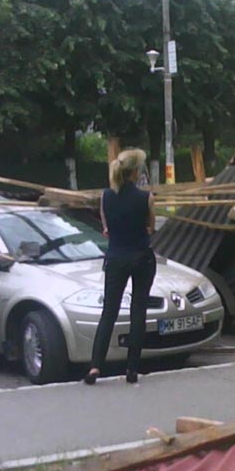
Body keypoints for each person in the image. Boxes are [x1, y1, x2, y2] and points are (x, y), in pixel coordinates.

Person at [84, 148, 156, 385]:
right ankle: (132, 369)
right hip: (141, 258)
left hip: (115, 258)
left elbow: (106, 229)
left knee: (109, 312)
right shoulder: (146, 198)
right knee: (138, 311)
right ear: (136, 172)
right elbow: (150, 227)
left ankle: (95, 366)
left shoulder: (105, 197)